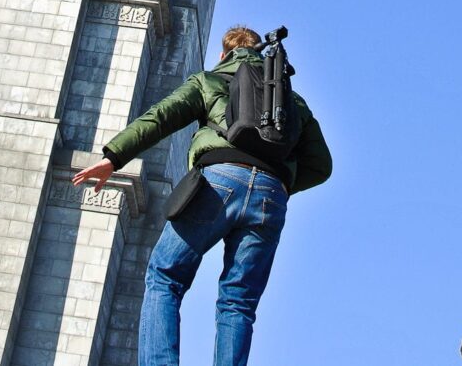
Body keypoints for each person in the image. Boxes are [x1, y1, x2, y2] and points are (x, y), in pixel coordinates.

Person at [71, 24, 332, 366]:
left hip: (218, 181)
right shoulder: (292, 100)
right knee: (238, 301)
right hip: (271, 197)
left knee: (165, 275)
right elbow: (321, 166)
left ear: (224, 55)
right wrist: (280, 185)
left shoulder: (209, 81)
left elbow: (160, 117)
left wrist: (113, 157)